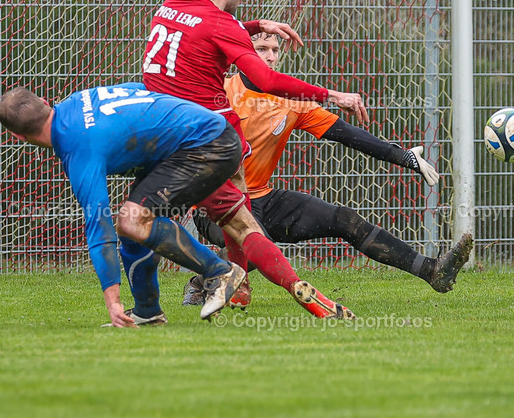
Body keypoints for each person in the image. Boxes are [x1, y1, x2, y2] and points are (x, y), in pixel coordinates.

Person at [120, 0, 367, 321]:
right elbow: (265, 79)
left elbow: (203, 31)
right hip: (209, 138)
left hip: (160, 132)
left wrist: (254, 27)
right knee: (239, 221)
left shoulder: (172, 4)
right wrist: (332, 95)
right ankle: (273, 285)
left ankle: (197, 299)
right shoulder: (222, 25)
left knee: (145, 223)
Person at [182, 32, 473, 307]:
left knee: (344, 219)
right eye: (262, 49)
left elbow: (347, 134)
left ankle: (433, 271)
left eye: (275, 50)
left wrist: (405, 157)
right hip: (217, 204)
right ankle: (204, 280)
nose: (270, 57)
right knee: (258, 244)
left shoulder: (291, 99)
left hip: (261, 197)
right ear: (243, 53)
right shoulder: (219, 92)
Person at [0, 83, 248, 327]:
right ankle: (147, 312)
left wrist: (112, 301)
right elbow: (138, 89)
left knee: (130, 221)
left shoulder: (78, 146)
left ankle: (220, 272)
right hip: (203, 137)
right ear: (45, 102)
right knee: (134, 231)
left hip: (208, 145)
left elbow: (99, 226)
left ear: (17, 135)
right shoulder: (76, 100)